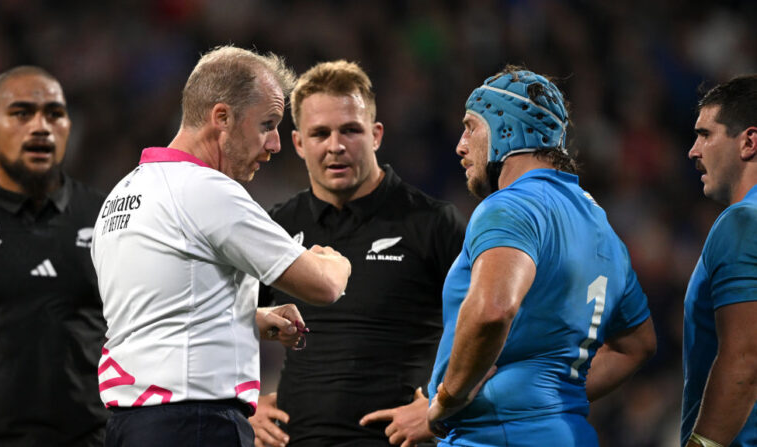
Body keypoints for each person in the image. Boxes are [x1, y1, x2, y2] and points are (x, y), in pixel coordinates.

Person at [90, 46, 351, 447]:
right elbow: (323, 286)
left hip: (131, 428)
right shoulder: (206, 190)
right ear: (222, 117)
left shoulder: (122, 195)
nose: (276, 144)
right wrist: (332, 261)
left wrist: (251, 316)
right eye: (267, 124)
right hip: (195, 424)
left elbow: (160, 310)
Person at [425, 66, 657, 446]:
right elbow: (637, 345)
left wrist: (448, 400)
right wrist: (551, 402)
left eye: (471, 126)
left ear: (505, 129)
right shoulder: (603, 229)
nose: (460, 145)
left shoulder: (511, 206)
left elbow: (493, 309)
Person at [249, 60, 466, 446]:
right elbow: (223, 319)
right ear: (298, 143)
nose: (336, 146)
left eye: (350, 130)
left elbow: (496, 329)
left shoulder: (432, 224)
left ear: (376, 135)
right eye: (320, 133)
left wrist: (441, 405)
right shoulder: (276, 227)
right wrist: (243, 400)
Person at [0, 66, 108, 445]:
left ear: (68, 127)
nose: (41, 127)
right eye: (22, 113)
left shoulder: (106, 216)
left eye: (54, 114)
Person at [682, 75, 757, 447]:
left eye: (705, 134)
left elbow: (743, 361)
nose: (693, 151)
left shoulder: (741, 221)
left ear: (748, 141)